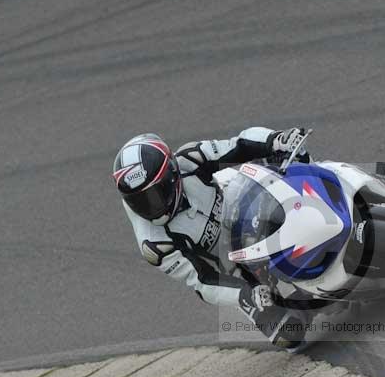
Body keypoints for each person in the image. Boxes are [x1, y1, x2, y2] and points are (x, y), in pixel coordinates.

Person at [112, 127, 310, 348]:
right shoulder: (155, 245)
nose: (150, 208)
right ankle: (310, 301)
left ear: (171, 176)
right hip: (234, 264)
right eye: (139, 201)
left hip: (242, 206)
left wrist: (275, 140)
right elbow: (203, 281)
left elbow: (239, 145)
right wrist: (244, 294)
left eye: (153, 195)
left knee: (295, 159)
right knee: (288, 334)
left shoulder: (190, 159)